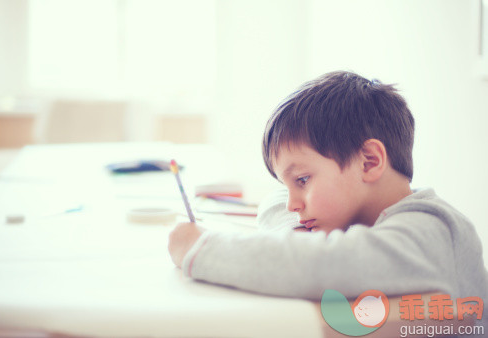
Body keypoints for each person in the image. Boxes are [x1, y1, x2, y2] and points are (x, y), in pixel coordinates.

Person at [168, 71, 487, 329]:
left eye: (302, 180)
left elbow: (326, 267)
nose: (293, 204)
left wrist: (201, 250)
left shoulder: (433, 230)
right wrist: (293, 232)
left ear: (369, 162)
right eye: (288, 184)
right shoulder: (363, 216)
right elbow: (276, 201)